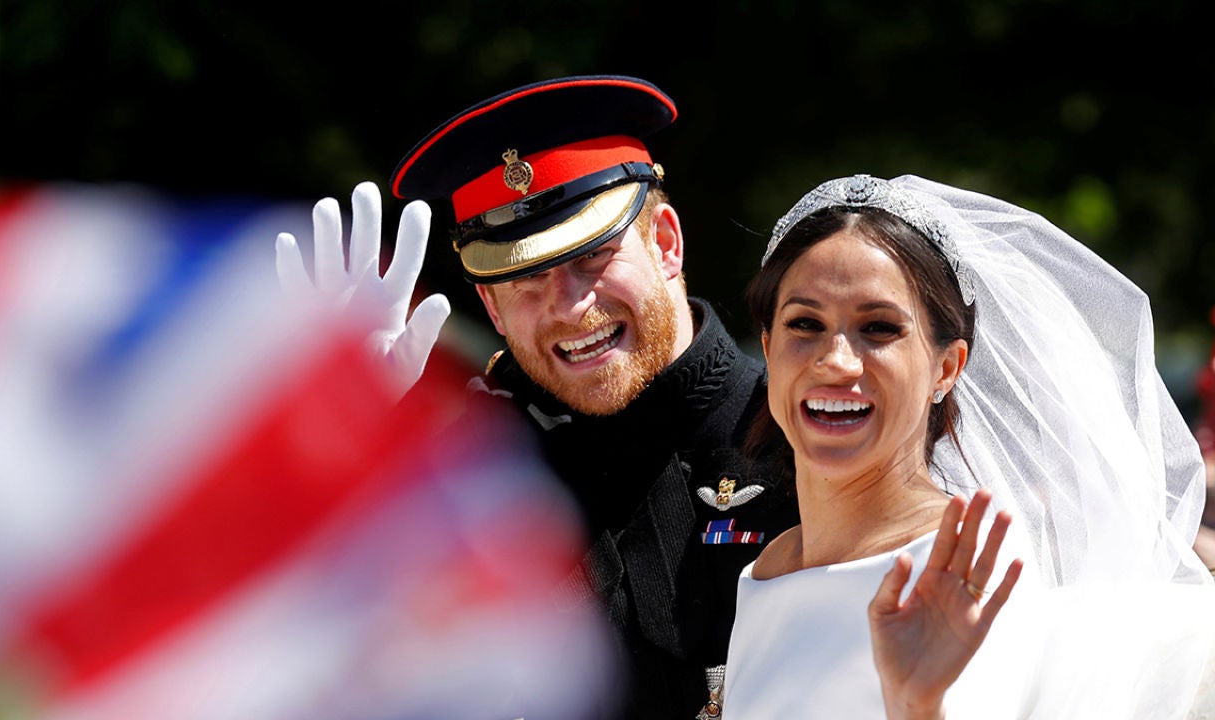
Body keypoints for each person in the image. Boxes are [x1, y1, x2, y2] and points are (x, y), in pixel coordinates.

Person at [275, 75, 799, 720]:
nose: (569, 307)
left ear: (665, 243)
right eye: (525, 280)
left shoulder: (801, 433)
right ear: (491, 306)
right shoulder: (467, 475)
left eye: (592, 258)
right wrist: (345, 476)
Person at [721, 174, 1215, 718]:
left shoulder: (967, 566)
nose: (836, 361)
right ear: (768, 349)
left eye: (879, 328)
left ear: (947, 367)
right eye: (805, 323)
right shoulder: (770, 567)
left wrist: (918, 707)